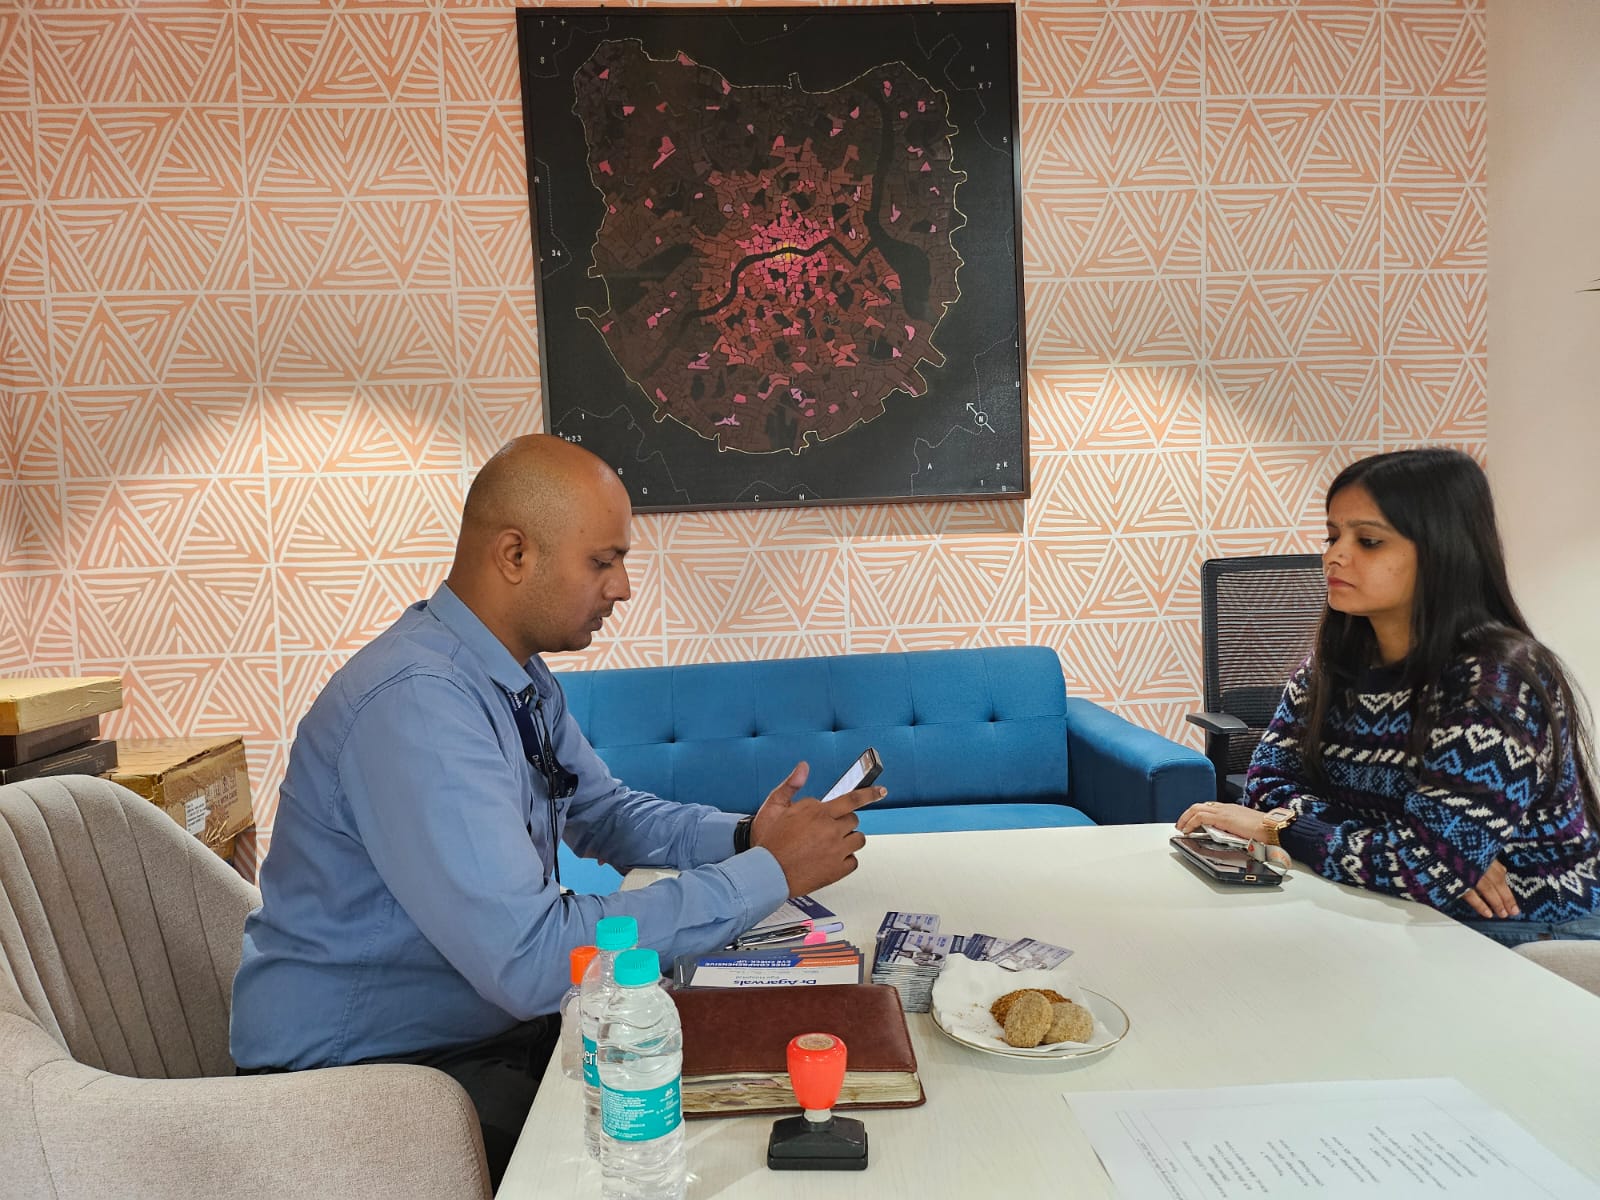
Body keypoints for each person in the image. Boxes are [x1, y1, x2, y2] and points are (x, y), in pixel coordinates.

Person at [230, 434, 882, 1183]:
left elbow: (605, 813)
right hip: (361, 1089)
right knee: (686, 1151)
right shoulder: (418, 705)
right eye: (603, 562)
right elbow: (533, 959)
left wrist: (746, 837)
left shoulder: (516, 680)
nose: (623, 588)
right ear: (515, 555)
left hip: (471, 1041)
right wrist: (768, 874)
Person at [1176, 448, 1600, 944]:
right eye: (1332, 536)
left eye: (1369, 541)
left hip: (1530, 928)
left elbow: (1425, 870)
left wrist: (1278, 829)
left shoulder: (1495, 683)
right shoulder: (1332, 664)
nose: (1334, 556)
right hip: (1392, 904)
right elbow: (1265, 784)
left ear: (1442, 551)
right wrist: (1415, 849)